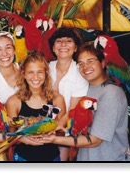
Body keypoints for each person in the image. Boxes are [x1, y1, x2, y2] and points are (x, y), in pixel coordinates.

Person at [41, 44, 129, 161]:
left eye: (90, 61)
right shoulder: (88, 89)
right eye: (80, 64)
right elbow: (74, 114)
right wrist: (54, 127)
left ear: (102, 63)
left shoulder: (111, 93)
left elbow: (95, 140)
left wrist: (54, 139)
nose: (85, 67)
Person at [6, 52, 66, 161]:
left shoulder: (58, 99)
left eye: (40, 72)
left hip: (52, 157)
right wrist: (23, 138)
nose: (36, 77)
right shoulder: (13, 102)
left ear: (46, 74)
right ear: (23, 74)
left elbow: (62, 133)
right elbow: (11, 136)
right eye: (30, 72)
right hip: (23, 158)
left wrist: (53, 134)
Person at [48, 26, 89, 161]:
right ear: (53, 48)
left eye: (68, 41)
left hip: (64, 130)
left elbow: (73, 109)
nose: (63, 45)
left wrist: (55, 128)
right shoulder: (45, 68)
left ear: (76, 47)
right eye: (59, 41)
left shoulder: (80, 74)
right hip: (41, 126)